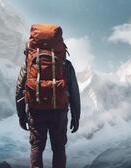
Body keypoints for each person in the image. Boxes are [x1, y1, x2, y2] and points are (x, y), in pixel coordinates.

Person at [15, 24, 81, 168]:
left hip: (35, 109)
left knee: (37, 147)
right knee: (58, 148)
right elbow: (74, 91)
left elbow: (19, 90)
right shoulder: (65, 64)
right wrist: (76, 116)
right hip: (59, 111)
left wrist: (21, 115)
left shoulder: (28, 65)